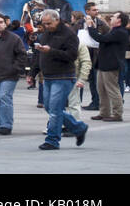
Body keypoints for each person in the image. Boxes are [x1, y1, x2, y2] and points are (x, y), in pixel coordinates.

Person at [34, 9, 89, 150]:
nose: (46, 26)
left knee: (55, 110)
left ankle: (52, 140)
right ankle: (78, 127)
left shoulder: (69, 34)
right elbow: (39, 55)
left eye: (49, 23)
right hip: (48, 75)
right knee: (49, 107)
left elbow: (72, 55)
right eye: (44, 24)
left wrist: (51, 51)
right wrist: (33, 71)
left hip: (64, 76)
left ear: (57, 20)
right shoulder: (46, 34)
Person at [91, 11, 130, 122]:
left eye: (114, 16)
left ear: (119, 20)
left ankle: (117, 114)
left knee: (112, 90)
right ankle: (104, 112)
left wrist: (91, 28)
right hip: (103, 63)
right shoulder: (113, 30)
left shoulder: (120, 32)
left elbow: (102, 39)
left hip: (111, 64)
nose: (111, 17)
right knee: (101, 89)